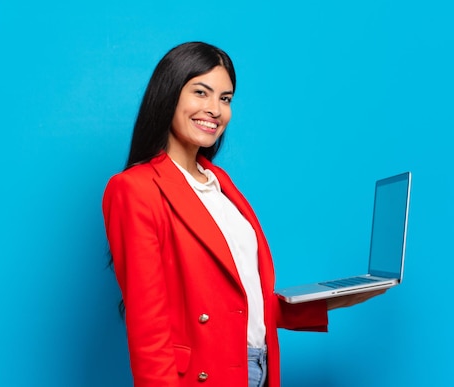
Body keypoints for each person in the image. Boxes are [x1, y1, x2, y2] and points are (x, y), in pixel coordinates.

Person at [102, 41, 385, 387]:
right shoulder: (135, 188)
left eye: (225, 98)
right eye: (201, 92)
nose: (215, 110)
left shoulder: (220, 183)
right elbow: (148, 328)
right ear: (169, 94)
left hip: (256, 368)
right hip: (202, 375)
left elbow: (237, 302)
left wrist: (332, 300)